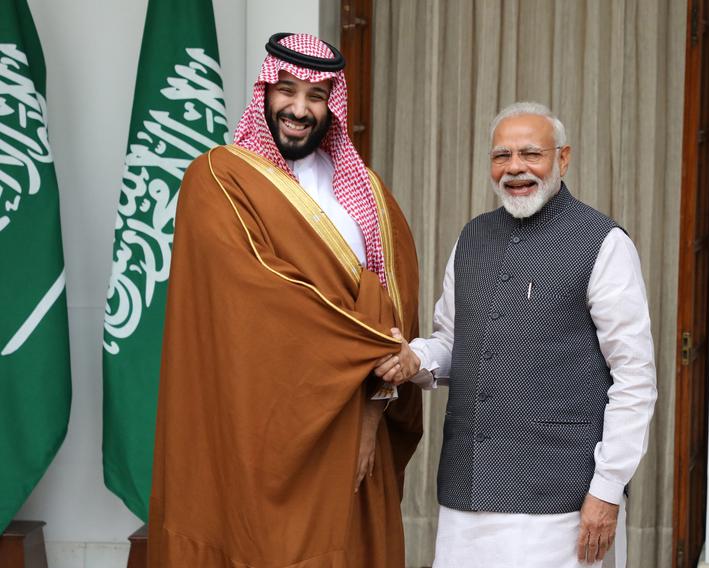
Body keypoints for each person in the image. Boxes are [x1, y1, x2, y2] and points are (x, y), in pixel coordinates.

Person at [148, 33, 422, 567]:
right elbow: (258, 302)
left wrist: (371, 412)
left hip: (352, 416)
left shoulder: (365, 190)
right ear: (265, 92)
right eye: (287, 91)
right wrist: (371, 339)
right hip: (255, 418)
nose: (299, 109)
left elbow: (396, 303)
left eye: (316, 95)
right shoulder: (218, 178)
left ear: (332, 106)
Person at [376, 101, 657, 567]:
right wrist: (414, 360)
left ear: (562, 159)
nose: (515, 168)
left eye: (531, 153)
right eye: (501, 156)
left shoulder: (603, 242)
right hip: (465, 497)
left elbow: (635, 376)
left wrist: (607, 490)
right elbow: (453, 343)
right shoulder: (471, 238)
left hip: (558, 500)